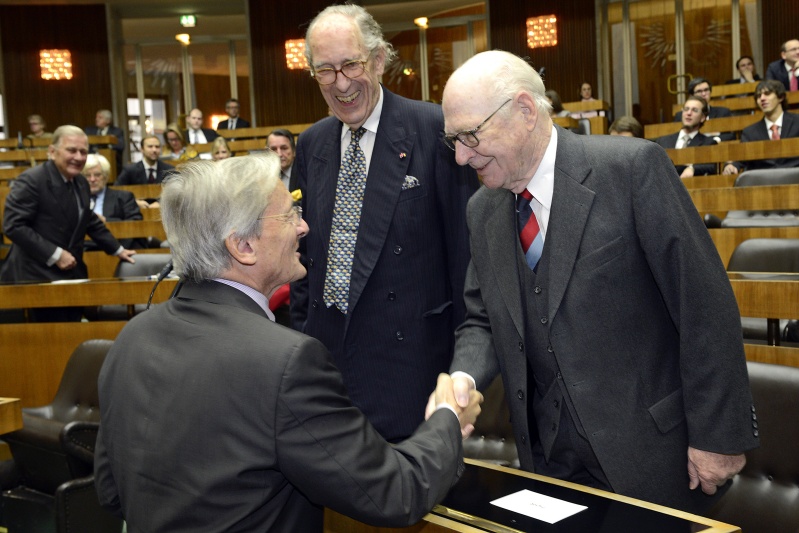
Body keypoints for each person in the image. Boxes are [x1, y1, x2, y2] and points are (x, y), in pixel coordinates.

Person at [432, 50, 758, 514]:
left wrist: (718, 437)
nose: (462, 156)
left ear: (525, 111)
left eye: (470, 135)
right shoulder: (483, 209)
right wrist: (462, 378)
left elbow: (704, 305)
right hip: (547, 461)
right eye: (453, 142)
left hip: (651, 457)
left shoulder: (632, 169)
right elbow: (483, 317)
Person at [94, 154, 482, 532]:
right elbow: (396, 492)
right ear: (242, 246)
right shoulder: (285, 361)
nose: (304, 227)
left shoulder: (132, 337)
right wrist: (448, 418)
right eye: (289, 215)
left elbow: (111, 493)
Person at [289, 4, 480, 442]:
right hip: (326, 365)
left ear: (378, 60)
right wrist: (300, 338)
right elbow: (306, 257)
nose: (340, 83)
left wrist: (460, 371)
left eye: (350, 65)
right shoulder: (313, 142)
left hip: (409, 365)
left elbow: (465, 261)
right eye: (325, 70)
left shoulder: (432, 129)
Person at [1, 126, 136, 321]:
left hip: (71, 275)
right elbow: (14, 226)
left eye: (83, 152)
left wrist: (117, 249)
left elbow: (88, 219)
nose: (79, 157)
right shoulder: (32, 180)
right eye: (71, 150)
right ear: (52, 151)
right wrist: (55, 255)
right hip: (35, 279)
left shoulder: (80, 182)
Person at [723, 79, 799, 174]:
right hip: (764, 180)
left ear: (780, 97)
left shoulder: (798, 122)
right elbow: (741, 158)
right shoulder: (750, 132)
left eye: (767, 94)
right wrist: (731, 165)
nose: (762, 98)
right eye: (758, 96)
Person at [82, 153, 143, 250]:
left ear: (105, 176)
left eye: (97, 175)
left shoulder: (124, 197)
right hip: (83, 250)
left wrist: (105, 221)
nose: (92, 179)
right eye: (87, 175)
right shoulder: (75, 199)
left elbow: (135, 224)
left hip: (117, 248)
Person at [655, 95, 717, 177]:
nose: (689, 113)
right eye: (686, 109)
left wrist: (692, 168)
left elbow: (711, 166)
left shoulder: (708, 143)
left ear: (702, 117)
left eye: (694, 110)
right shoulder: (663, 141)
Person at [672, 77, 733, 143]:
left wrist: (713, 140)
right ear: (692, 95)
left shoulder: (722, 112)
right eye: (699, 91)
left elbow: (731, 136)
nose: (703, 94)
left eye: (706, 90)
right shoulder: (681, 115)